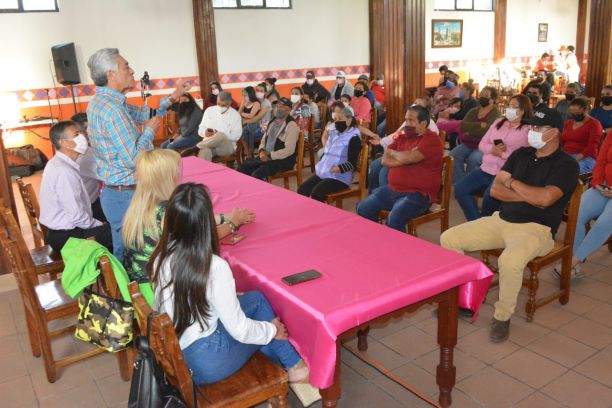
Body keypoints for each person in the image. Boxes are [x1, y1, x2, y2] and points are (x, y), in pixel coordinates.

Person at [440, 107, 579, 343]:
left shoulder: (566, 164)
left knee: (510, 261)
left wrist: (512, 183)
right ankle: (464, 300)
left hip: (536, 229)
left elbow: (546, 199)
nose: (532, 131)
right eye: (532, 126)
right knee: (449, 238)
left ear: (555, 132)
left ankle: (502, 317)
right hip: (501, 219)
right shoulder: (521, 154)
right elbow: (495, 190)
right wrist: (529, 195)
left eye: (539, 127)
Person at [149, 182, 309, 385]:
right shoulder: (214, 266)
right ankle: (292, 367)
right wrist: (272, 330)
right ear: (207, 223)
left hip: (179, 353)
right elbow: (240, 330)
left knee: (256, 300)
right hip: (207, 361)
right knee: (264, 325)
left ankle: (290, 366)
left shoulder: (161, 255)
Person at [86, 47, 191, 261]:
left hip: (119, 192)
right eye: (126, 67)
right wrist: (150, 131)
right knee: (132, 254)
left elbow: (146, 113)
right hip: (125, 195)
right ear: (111, 74)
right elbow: (136, 159)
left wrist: (174, 96)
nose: (132, 71)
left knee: (131, 250)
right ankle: (129, 284)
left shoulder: (107, 102)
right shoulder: (112, 110)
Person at [123, 150, 254, 288]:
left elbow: (189, 222)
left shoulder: (141, 203)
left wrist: (223, 217)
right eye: (176, 170)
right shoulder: (168, 210)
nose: (179, 174)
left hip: (139, 284)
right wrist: (233, 223)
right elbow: (203, 237)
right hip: (158, 288)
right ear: (167, 178)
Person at [357, 105, 443, 232]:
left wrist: (395, 154)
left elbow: (410, 158)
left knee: (394, 219)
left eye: (411, 120)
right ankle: (379, 237)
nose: (406, 124)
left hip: (418, 194)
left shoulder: (431, 139)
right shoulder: (402, 137)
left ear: (423, 123)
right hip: (393, 189)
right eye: (406, 119)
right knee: (362, 208)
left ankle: (399, 244)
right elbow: (385, 160)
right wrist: (404, 158)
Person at [454, 95, 532, 221]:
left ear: (523, 110)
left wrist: (502, 154)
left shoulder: (527, 130)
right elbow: (482, 144)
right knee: (460, 189)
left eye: (514, 107)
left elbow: (525, 158)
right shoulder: (498, 123)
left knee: (489, 198)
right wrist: (492, 150)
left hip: (505, 173)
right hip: (486, 169)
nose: (509, 109)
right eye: (509, 106)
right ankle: (477, 222)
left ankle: (483, 224)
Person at [39, 121, 112, 253]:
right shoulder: (64, 171)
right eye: (76, 135)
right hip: (68, 237)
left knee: (113, 227)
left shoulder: (58, 163)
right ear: (64, 143)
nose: (82, 137)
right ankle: (112, 265)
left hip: (64, 231)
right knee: (120, 233)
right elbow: (77, 217)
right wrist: (100, 225)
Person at [554, 131, 611, 279]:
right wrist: (597, 183)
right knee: (576, 213)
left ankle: (571, 263)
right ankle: (575, 263)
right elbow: (601, 162)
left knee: (604, 222)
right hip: (604, 187)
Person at [368, 99, 440, 192]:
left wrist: (394, 155)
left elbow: (417, 154)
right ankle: (374, 194)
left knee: (384, 172)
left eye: (418, 105)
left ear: (426, 110)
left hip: (413, 159)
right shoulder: (409, 121)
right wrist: (382, 141)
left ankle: (389, 197)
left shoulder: (430, 126)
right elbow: (396, 134)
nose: (414, 106)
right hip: (398, 152)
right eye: (414, 104)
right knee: (375, 165)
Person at [298, 108, 361, 202]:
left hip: (339, 177)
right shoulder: (335, 133)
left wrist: (335, 169)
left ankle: (320, 212)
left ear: (349, 120)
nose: (336, 122)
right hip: (325, 172)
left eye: (340, 118)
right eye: (335, 119)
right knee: (302, 190)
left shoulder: (354, 138)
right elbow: (328, 152)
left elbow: (352, 164)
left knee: (317, 194)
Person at [238, 97, 299, 181]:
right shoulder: (272, 122)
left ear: (288, 110)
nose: (278, 108)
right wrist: (261, 151)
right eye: (277, 106)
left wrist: (270, 156)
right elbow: (264, 140)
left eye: (281, 107)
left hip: (282, 160)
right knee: (243, 168)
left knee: (257, 174)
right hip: (266, 157)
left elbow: (289, 150)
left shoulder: (291, 125)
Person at [450, 86, 502, 184]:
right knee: (453, 155)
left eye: (486, 95)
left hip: (484, 146)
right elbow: (463, 126)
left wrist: (470, 130)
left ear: (492, 100)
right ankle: (459, 182)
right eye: (481, 94)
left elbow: (487, 132)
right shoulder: (474, 110)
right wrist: (480, 125)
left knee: (473, 159)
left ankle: (468, 184)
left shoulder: (496, 113)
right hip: (468, 143)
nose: (482, 96)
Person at [71, 112, 105, 222]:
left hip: (87, 203)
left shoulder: (79, 150)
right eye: (86, 129)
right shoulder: (85, 155)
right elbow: (109, 177)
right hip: (88, 209)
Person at [560, 97, 603, 174]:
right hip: (567, 155)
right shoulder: (569, 123)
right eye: (572, 113)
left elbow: (592, 148)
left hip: (586, 157)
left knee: (567, 171)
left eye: (577, 113)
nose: (575, 115)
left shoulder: (594, 124)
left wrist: (573, 160)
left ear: (586, 109)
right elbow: (562, 140)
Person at [196, 91, 242, 161]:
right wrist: (204, 132)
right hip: (208, 145)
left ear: (229, 103)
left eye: (223, 105)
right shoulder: (209, 111)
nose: (220, 106)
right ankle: (204, 168)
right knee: (205, 151)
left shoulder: (235, 115)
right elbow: (200, 129)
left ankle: (196, 147)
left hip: (226, 147)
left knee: (221, 135)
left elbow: (236, 136)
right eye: (218, 103)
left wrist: (218, 135)